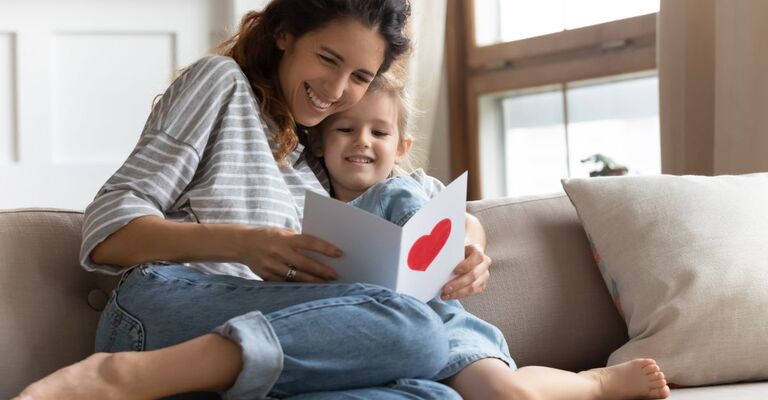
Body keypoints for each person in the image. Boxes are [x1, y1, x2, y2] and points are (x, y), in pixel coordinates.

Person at [14, 1, 670, 399]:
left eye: (359, 77)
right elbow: (108, 227)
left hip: (280, 337)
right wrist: (245, 244)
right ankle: (119, 381)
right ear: (282, 34)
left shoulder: (318, 155)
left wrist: (469, 240)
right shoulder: (222, 85)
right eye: (327, 60)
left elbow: (406, 198)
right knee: (410, 328)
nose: (336, 90)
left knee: (427, 380)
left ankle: (491, 383)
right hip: (160, 312)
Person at [308, 71, 673, 400]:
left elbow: (469, 223)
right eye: (345, 130)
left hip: (439, 324)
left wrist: (471, 247)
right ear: (320, 141)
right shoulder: (305, 203)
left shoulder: (414, 187)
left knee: (506, 394)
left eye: (379, 132)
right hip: (362, 341)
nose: (362, 141)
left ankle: (597, 383)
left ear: (402, 146)